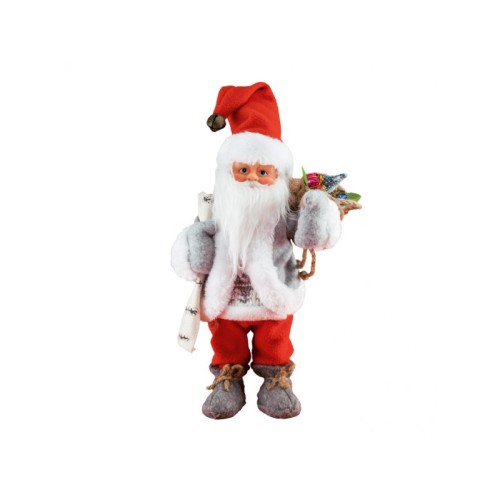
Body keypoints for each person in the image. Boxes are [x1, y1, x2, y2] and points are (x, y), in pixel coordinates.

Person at [171, 82, 342, 419]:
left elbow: (311, 238)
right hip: (227, 301)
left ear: (278, 175)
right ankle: (228, 375)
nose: (252, 178)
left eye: (263, 172)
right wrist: (193, 247)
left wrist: (316, 214)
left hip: (274, 296)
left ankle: (275, 377)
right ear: (228, 172)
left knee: (274, 338)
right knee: (225, 339)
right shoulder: (218, 210)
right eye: (243, 171)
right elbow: (197, 238)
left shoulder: (283, 212)